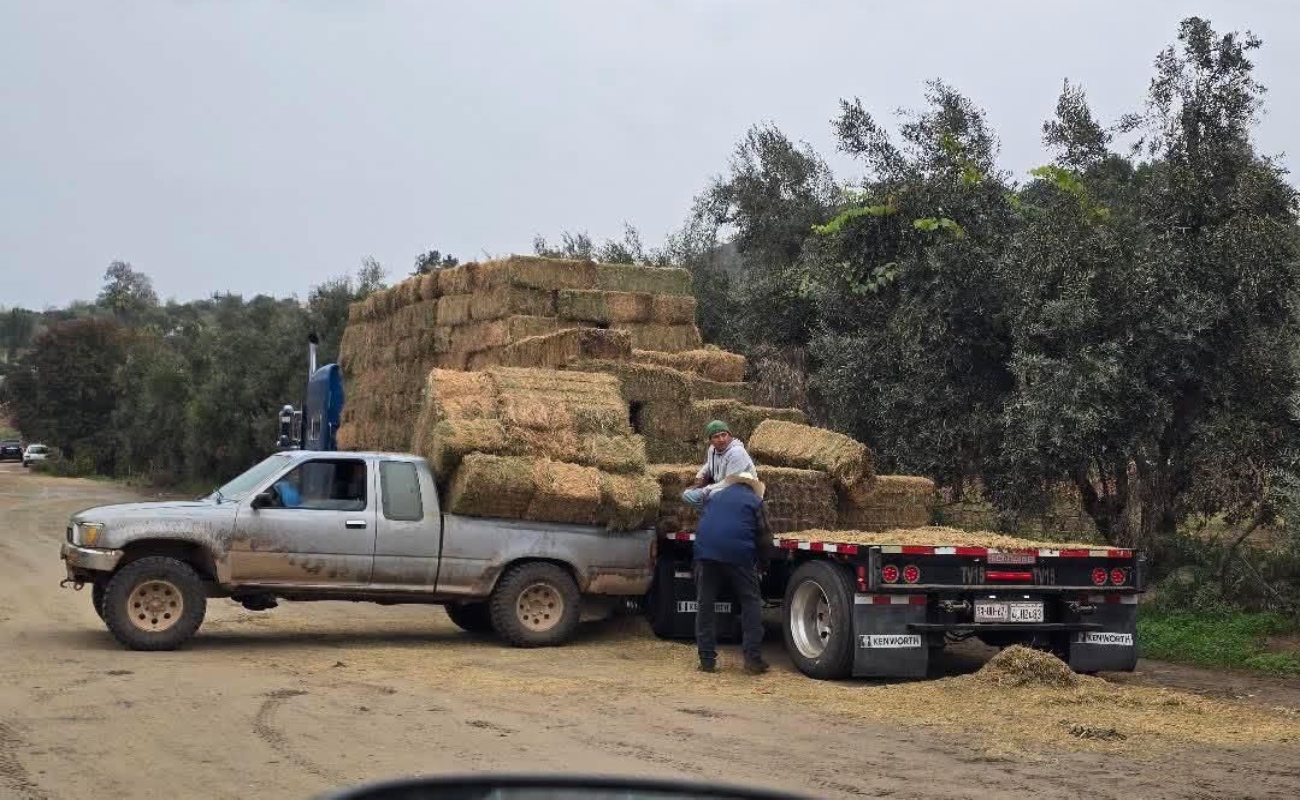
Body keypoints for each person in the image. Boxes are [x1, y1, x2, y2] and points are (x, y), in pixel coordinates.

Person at [692, 471, 773, 675]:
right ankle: (752, 659)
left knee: (705, 603)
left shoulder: (713, 497)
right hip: (738, 554)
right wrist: (763, 564)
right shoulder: (755, 501)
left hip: (706, 552)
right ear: (751, 486)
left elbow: (705, 525)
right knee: (750, 601)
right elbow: (764, 537)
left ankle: (707, 659)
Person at [681, 420, 756, 510]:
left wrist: (706, 490)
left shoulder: (737, 453)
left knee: (711, 496)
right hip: (721, 487)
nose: (721, 439)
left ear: (730, 436)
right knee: (687, 495)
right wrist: (700, 476)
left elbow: (730, 482)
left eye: (724, 435)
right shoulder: (712, 450)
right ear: (710, 440)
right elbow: (710, 464)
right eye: (716, 437)